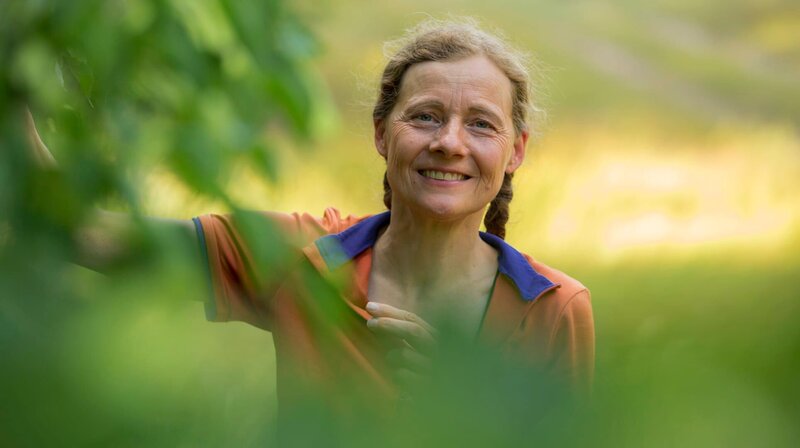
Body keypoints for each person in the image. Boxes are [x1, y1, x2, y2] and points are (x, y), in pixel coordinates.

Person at [27, 17, 594, 442]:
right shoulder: (301, 259)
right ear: (381, 134)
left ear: (515, 151)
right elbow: (86, 234)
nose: (449, 141)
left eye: (481, 125)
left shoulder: (554, 308)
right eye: (424, 115)